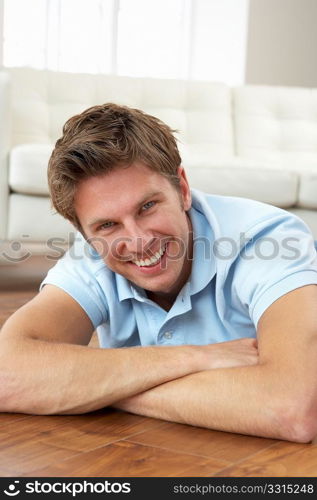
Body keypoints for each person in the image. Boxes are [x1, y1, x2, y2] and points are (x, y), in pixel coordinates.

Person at [1, 103, 317, 443]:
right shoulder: (92, 257)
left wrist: (94, 386)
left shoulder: (269, 242)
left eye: (147, 207)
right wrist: (195, 359)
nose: (138, 241)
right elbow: (7, 374)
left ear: (182, 188)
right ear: (83, 232)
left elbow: (293, 408)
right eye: (108, 225)